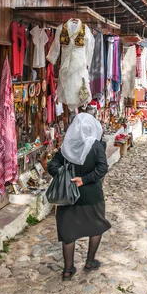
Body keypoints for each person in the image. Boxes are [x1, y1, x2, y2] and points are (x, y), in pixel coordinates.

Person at [48, 112, 111, 281]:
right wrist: (84, 180)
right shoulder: (96, 146)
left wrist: (65, 177)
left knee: (68, 231)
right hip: (92, 196)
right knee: (96, 226)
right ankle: (90, 261)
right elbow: (102, 168)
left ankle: (68, 269)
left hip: (68, 197)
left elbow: (52, 166)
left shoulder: (67, 146)